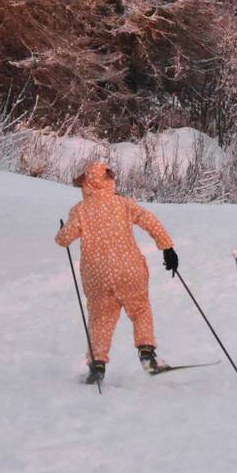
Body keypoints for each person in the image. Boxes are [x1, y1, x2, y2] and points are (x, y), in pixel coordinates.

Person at [55, 160, 179, 385]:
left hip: (97, 277)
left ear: (86, 184)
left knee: (101, 320)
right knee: (140, 309)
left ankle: (98, 366)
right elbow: (149, 220)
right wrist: (167, 247)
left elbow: (63, 240)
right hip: (129, 271)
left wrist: (62, 230)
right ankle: (146, 353)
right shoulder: (123, 204)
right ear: (108, 181)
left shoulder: (80, 210)